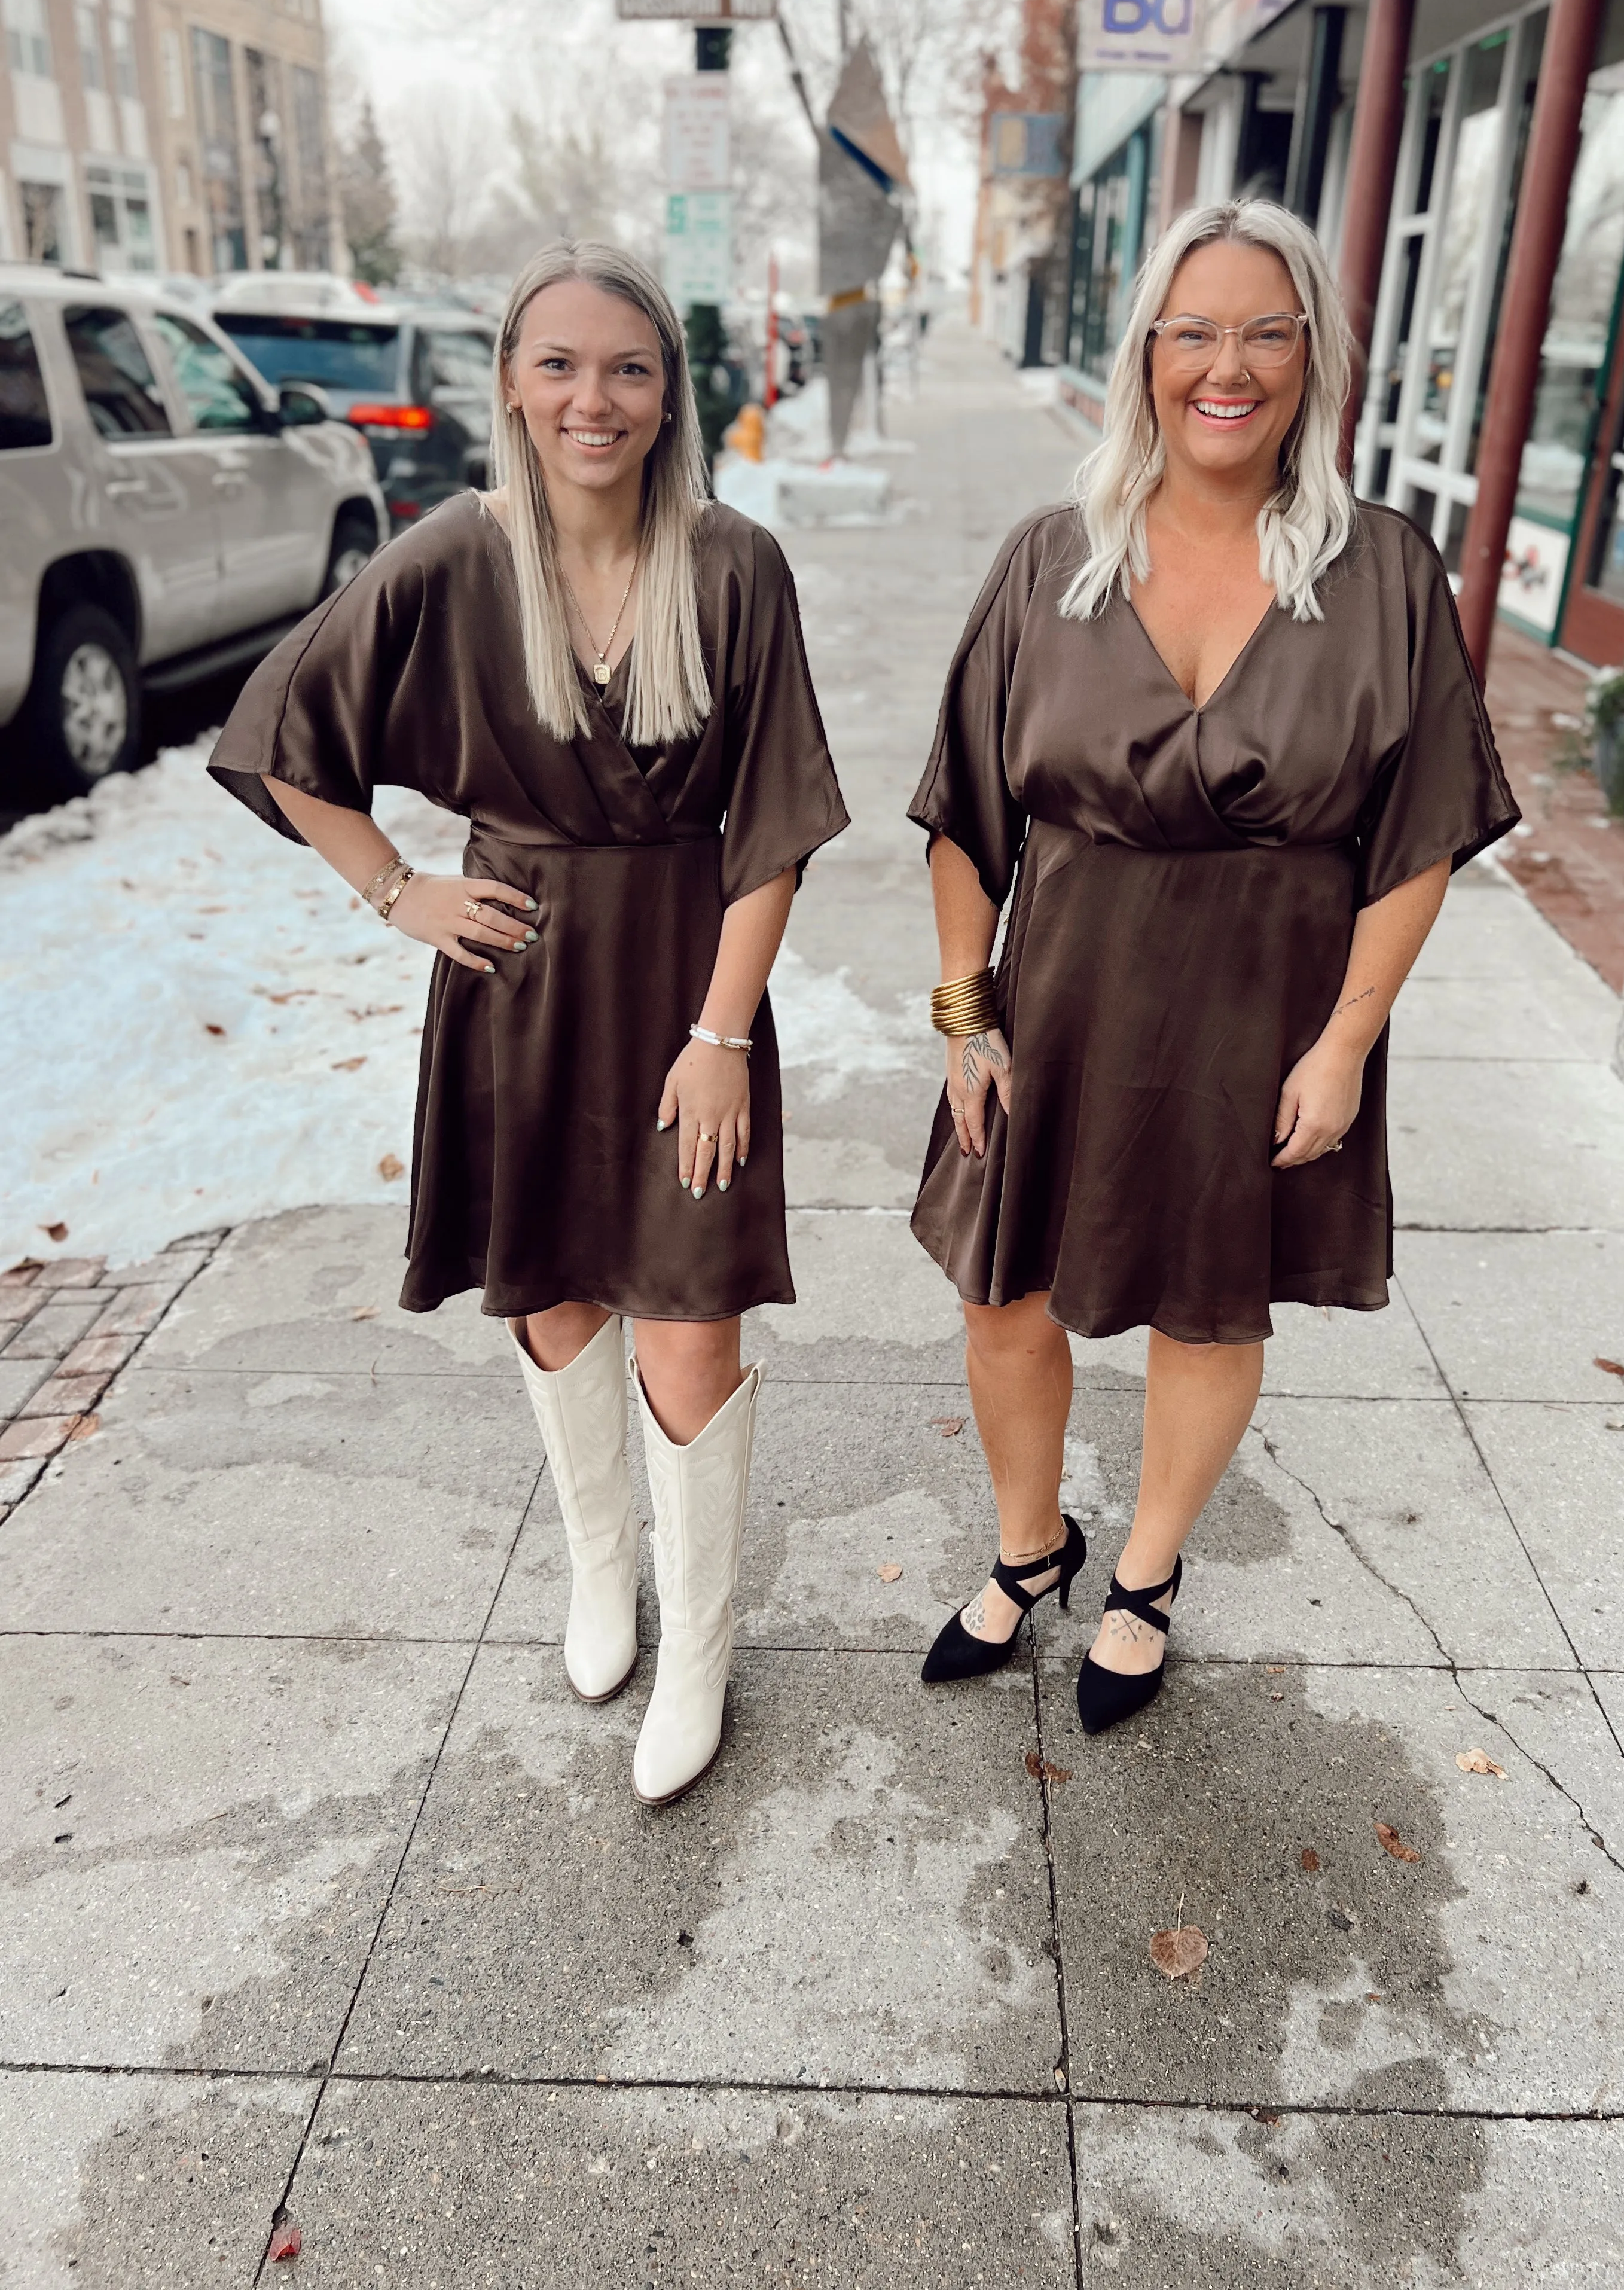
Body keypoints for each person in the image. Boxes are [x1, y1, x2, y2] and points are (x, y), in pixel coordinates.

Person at [209, 241, 847, 1805]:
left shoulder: (733, 565)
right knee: (555, 1298)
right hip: (522, 988)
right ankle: (600, 1570)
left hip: (685, 982)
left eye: (627, 368)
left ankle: (697, 1652)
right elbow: (285, 735)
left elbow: (774, 830)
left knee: (691, 1320)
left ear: (669, 393)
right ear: (510, 380)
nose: (592, 398)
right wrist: (394, 889)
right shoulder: (452, 555)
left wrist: (721, 1038)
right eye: (558, 364)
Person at [907, 200, 1518, 1737]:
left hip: (1264, 1009)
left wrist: (1346, 1043)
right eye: (1192, 333)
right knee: (1003, 1295)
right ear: (1147, 356)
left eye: (1264, 333)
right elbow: (965, 814)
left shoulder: (1382, 569)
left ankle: (1146, 1576)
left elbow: (1420, 838)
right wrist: (965, 1014)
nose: (1225, 368)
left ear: (1314, 357)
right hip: (1058, 994)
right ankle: (1030, 1548)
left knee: (1211, 1307)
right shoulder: (1051, 558)